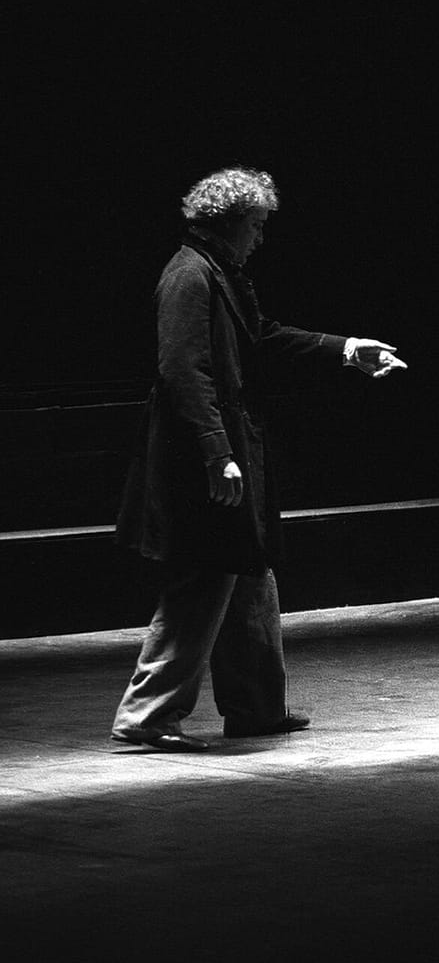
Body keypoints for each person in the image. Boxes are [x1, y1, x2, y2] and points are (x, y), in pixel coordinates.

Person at [111, 167, 406, 751]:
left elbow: (261, 336)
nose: (260, 237)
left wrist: (347, 349)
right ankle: (146, 715)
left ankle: (256, 707)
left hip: (228, 446)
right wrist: (216, 452)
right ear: (229, 222)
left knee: (249, 574)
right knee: (204, 577)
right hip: (201, 455)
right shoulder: (189, 275)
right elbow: (182, 371)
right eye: (256, 225)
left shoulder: (218, 272)